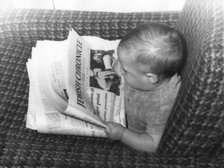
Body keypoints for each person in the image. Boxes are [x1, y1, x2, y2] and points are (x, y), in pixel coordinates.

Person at [105, 23, 185, 153]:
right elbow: (124, 66)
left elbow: (153, 144)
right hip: (121, 103)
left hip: (130, 135)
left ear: (150, 78)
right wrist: (120, 66)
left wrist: (122, 135)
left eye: (124, 69)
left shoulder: (161, 105)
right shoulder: (143, 75)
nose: (120, 68)